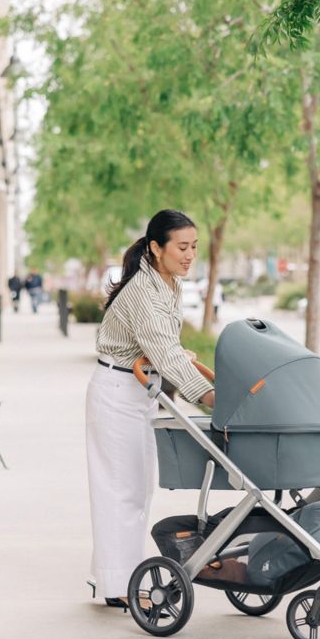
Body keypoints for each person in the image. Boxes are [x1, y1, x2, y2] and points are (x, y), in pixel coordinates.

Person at [86, 209, 215, 612]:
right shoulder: (143, 290)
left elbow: (167, 350)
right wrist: (212, 398)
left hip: (138, 389)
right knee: (121, 491)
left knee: (137, 489)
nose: (190, 254)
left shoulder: (167, 283)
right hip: (118, 391)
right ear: (156, 248)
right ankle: (119, 584)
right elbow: (164, 353)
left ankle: (116, 577)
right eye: (182, 246)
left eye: (194, 246)